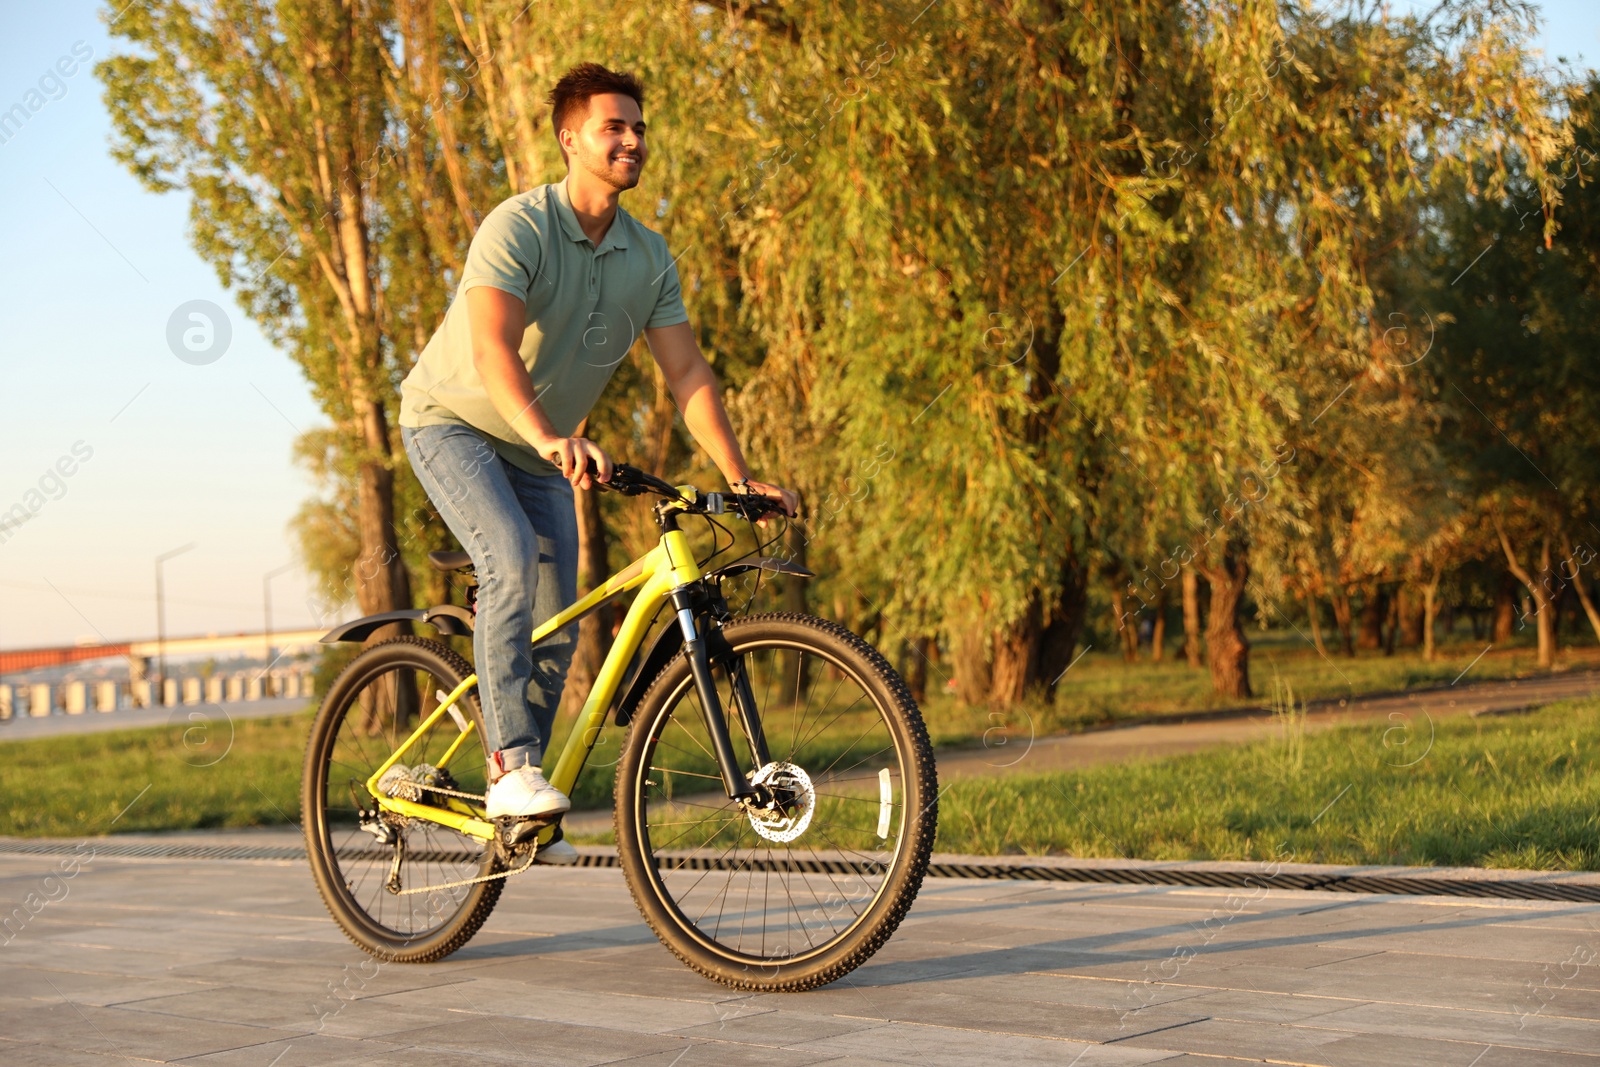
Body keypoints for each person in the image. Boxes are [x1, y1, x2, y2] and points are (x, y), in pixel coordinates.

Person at [398, 63, 796, 863]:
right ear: (569, 137)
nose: (632, 140)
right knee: (508, 557)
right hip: (454, 425)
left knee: (556, 625)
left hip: (541, 451)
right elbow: (490, 346)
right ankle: (511, 768)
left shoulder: (648, 257)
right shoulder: (520, 225)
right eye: (615, 126)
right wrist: (550, 435)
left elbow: (686, 373)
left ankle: (521, 810)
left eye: (640, 128)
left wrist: (738, 473)